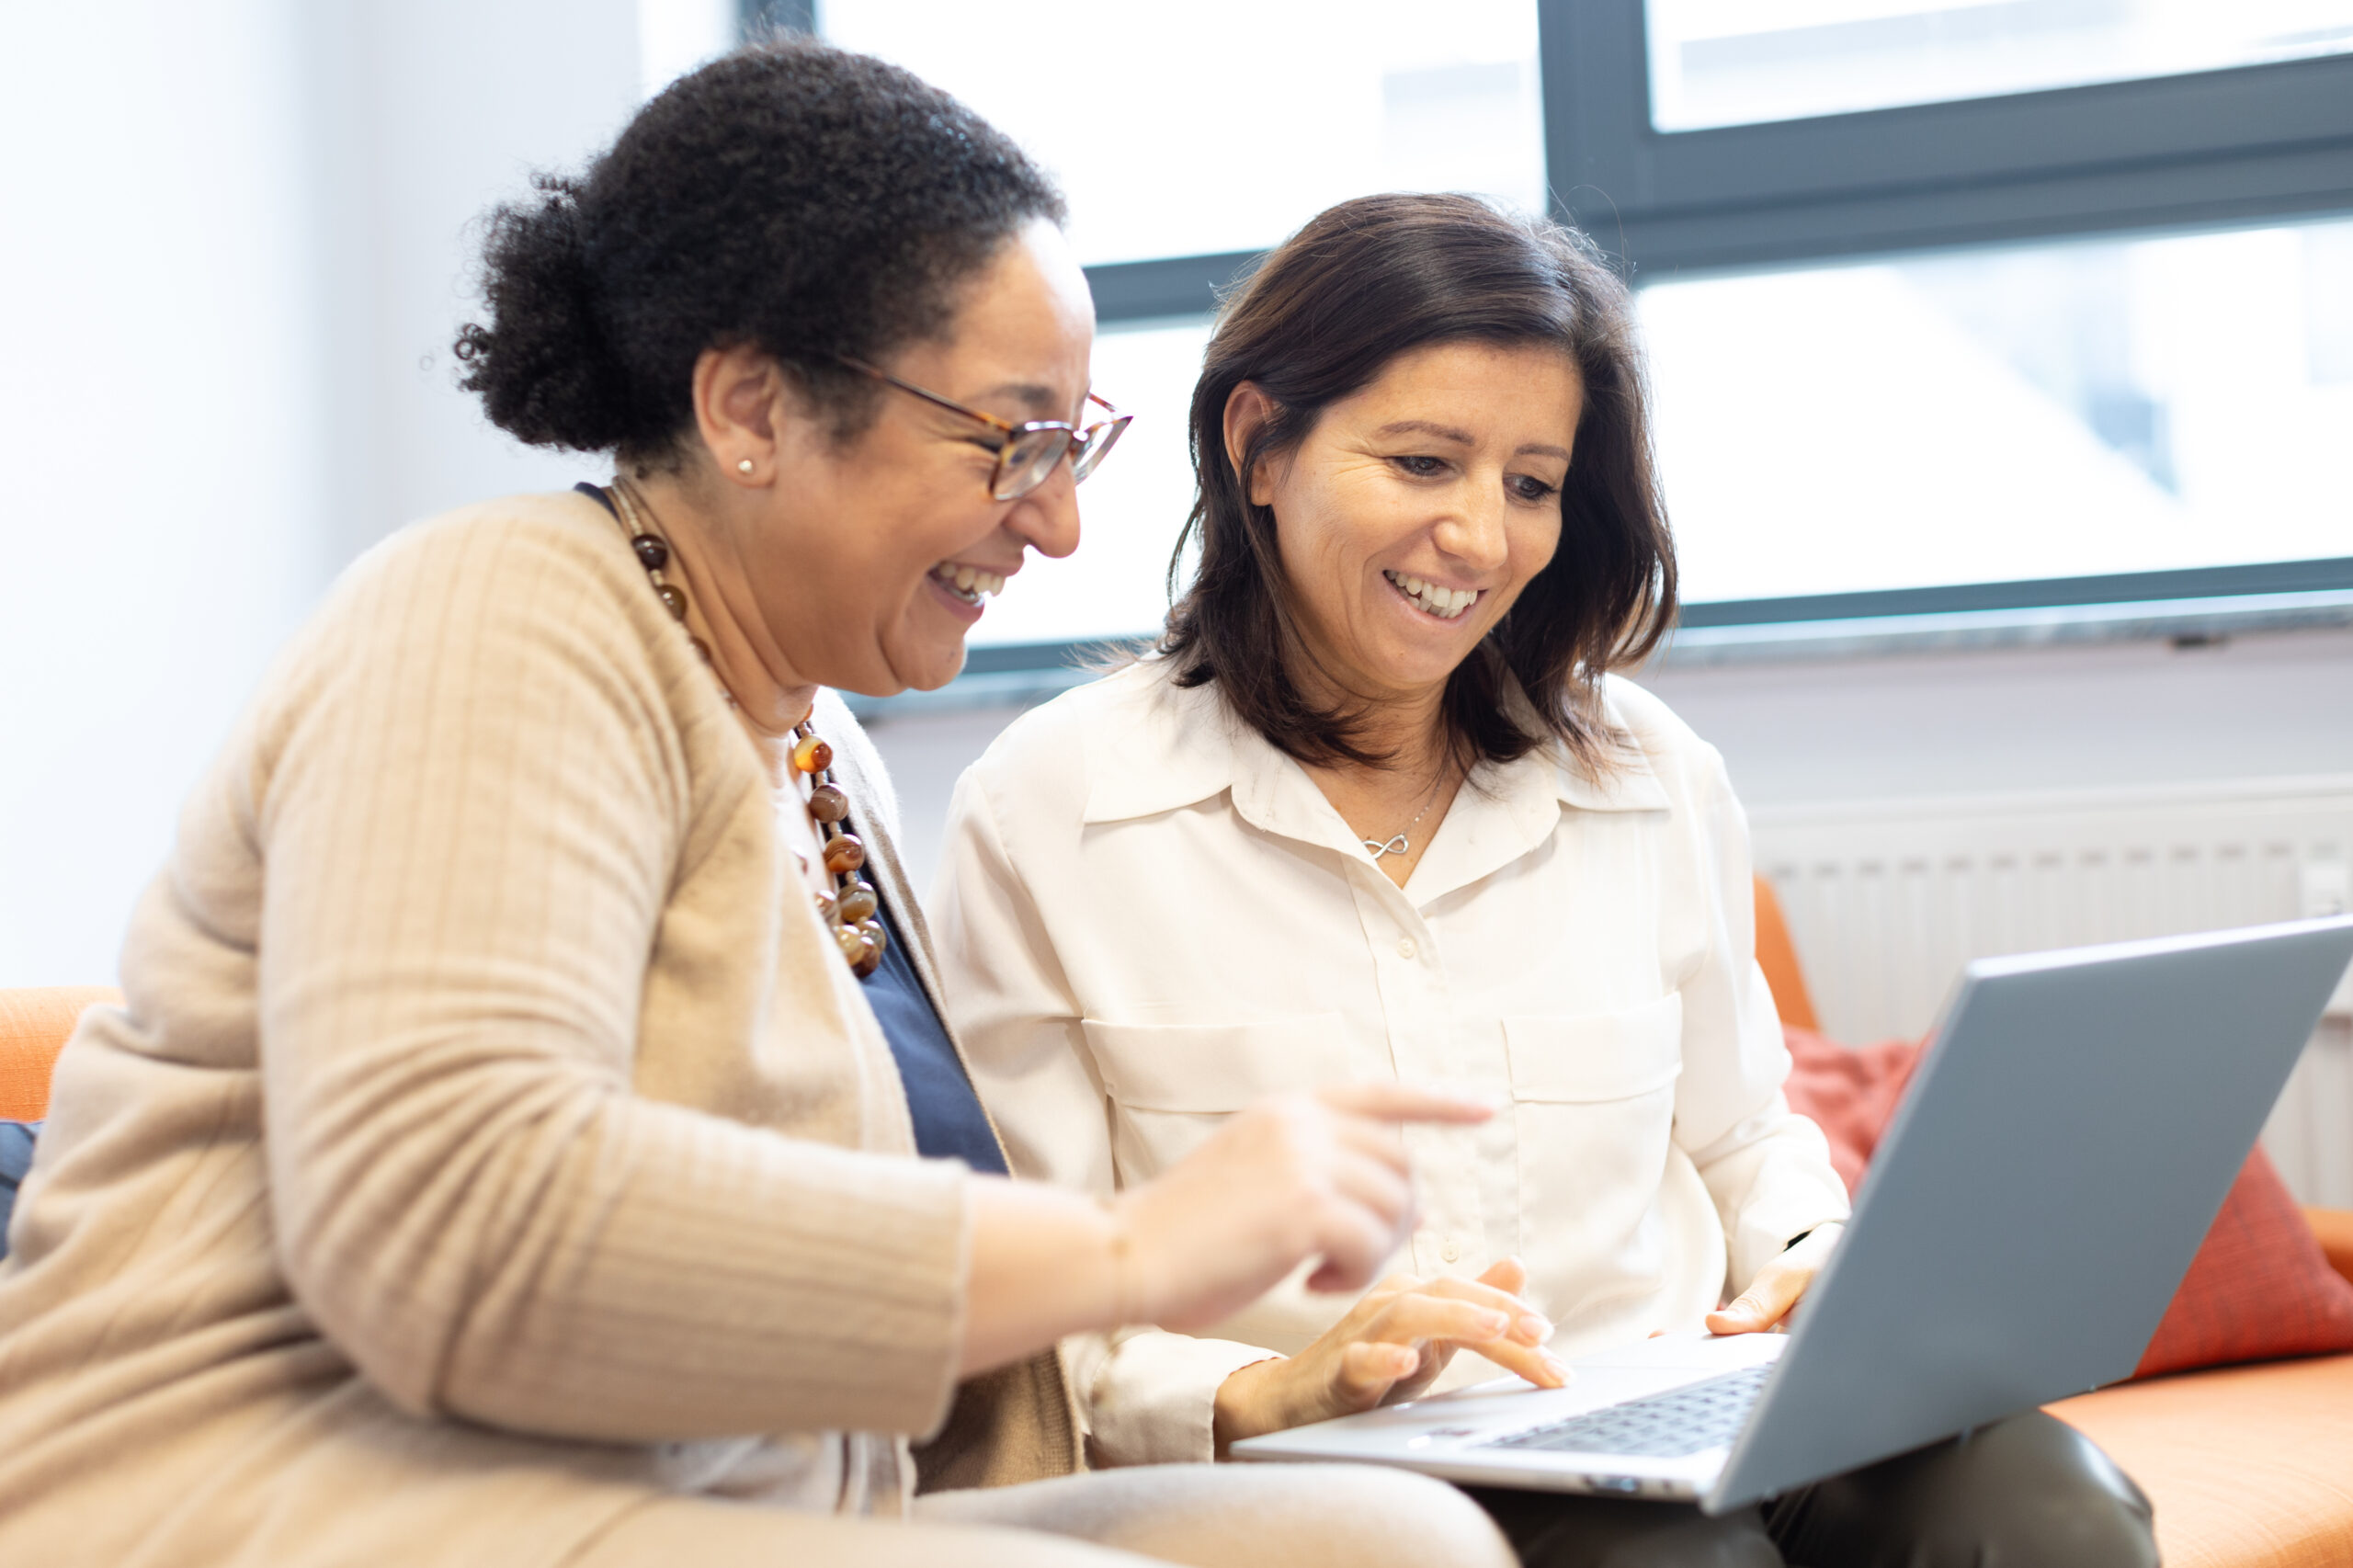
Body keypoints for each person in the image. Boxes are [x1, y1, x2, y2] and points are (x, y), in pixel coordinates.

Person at [0, 47, 1520, 1568]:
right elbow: (452, 1230)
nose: (1058, 520)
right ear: (750, 408)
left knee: (1403, 1542)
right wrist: (1131, 1247)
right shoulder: (492, 618)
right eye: (1015, 439)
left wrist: (1260, 1382)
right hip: (276, 1491)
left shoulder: (815, 739)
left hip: (725, 1498)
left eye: (1078, 442)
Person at [932, 193, 2160, 1567]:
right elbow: (1040, 1299)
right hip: (1366, 1473)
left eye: (1530, 483)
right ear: (1258, 444)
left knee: (2054, 1506)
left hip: (1698, 1401)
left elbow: (1747, 1137)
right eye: (1422, 462)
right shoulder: (1053, 811)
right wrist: (1267, 1384)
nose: (1479, 535)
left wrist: (1818, 1254)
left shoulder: (1648, 771)